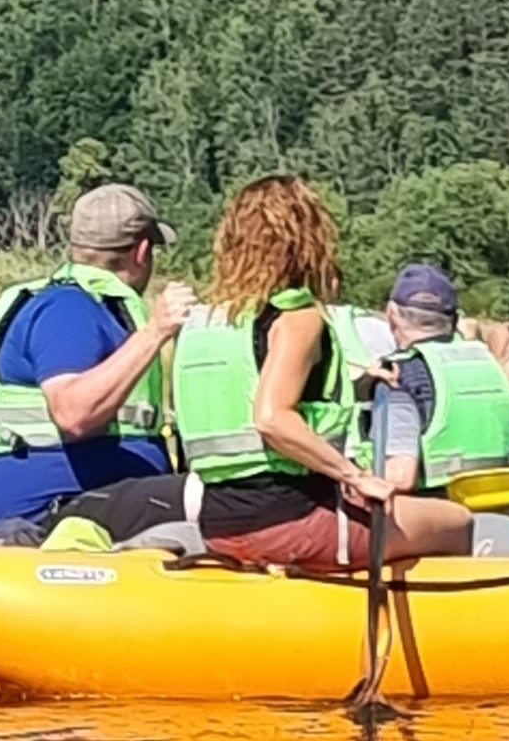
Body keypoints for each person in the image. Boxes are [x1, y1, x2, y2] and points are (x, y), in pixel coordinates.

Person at [171, 177, 475, 569]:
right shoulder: (298, 317)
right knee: (457, 521)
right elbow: (271, 418)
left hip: (219, 523)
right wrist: (355, 476)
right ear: (308, 242)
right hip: (296, 522)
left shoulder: (203, 325)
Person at [0, 183, 193, 533]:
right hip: (56, 513)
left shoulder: (89, 306)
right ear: (143, 251)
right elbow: (73, 415)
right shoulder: (69, 309)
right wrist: (156, 332)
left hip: (94, 502)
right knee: (218, 498)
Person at [371, 260, 509, 485]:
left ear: (391, 315)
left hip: (433, 510)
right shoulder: (491, 364)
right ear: (455, 319)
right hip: (503, 510)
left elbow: (399, 477)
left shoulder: (398, 374)